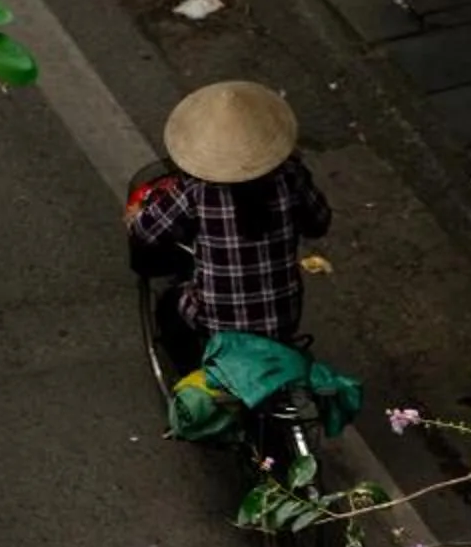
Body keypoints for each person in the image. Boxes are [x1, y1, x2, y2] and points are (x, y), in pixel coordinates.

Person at [127, 79, 330, 365]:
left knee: (169, 308)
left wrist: (137, 213)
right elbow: (319, 222)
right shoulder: (290, 176)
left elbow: (146, 232)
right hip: (285, 318)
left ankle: (187, 374)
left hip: (216, 321)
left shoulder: (197, 189)